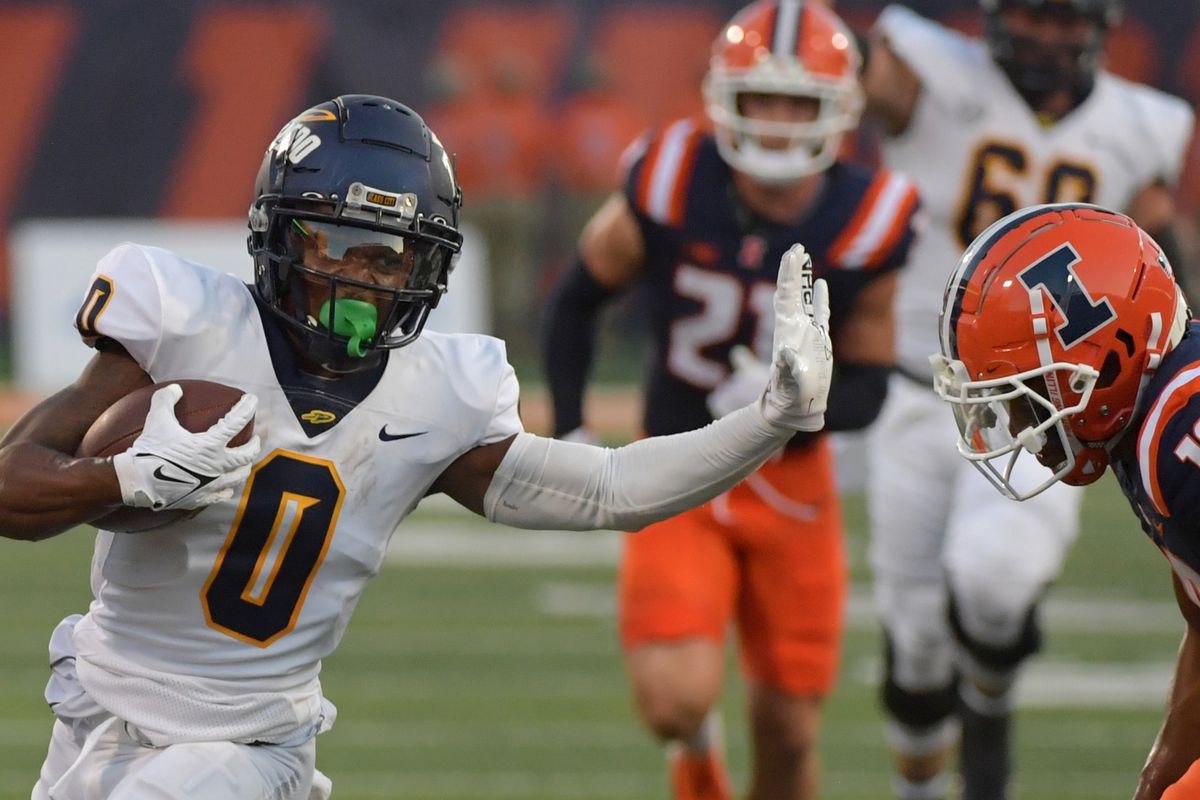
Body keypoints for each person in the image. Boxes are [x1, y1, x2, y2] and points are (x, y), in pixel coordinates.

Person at [8, 94, 837, 800]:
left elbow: (612, 487)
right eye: (335, 246)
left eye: (389, 257)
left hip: (249, 747)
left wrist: (769, 420)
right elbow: (12, 488)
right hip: (97, 707)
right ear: (279, 238)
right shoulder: (183, 327)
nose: (363, 282)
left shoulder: (439, 396)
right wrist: (116, 478)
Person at [542, 3, 919, 798]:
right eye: (761, 99)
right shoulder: (672, 176)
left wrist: (797, 405)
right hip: (676, 464)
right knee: (674, 700)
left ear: (839, 109)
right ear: (723, 99)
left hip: (793, 488)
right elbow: (576, 300)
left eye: (798, 102)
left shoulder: (870, 217)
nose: (779, 124)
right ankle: (696, 754)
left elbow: (872, 382)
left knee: (788, 733)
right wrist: (573, 428)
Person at [858, 2, 1196, 798]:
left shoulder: (1137, 124)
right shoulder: (926, 71)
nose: (1048, 34)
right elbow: (837, 72)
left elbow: (1164, 264)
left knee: (995, 578)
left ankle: (988, 743)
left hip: (1062, 399)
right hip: (925, 389)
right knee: (913, 644)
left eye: (1065, 17)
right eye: (1031, 14)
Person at [931, 202, 1198, 800]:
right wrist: (1162, 772)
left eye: (1022, 397)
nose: (1017, 426)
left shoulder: (1180, 435)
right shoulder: (1150, 427)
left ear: (1103, 363)